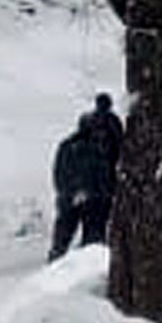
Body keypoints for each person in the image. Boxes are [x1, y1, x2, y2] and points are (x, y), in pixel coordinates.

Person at [48, 90, 123, 260]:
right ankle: (73, 272)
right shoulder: (111, 131)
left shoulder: (71, 143)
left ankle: (58, 268)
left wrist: (67, 193)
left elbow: (59, 171)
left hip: (82, 195)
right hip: (94, 196)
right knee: (91, 241)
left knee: (67, 239)